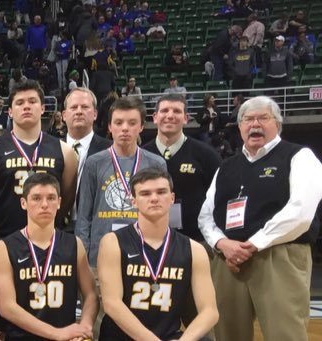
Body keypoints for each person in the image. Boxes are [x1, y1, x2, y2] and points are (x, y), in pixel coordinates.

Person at [197, 96, 322, 341]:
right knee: (226, 334)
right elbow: (205, 216)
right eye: (248, 119)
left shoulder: (300, 156)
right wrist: (223, 244)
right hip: (228, 261)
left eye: (263, 118)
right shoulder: (227, 166)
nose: (255, 124)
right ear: (240, 126)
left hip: (278, 257)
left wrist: (253, 244)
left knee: (285, 334)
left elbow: (300, 212)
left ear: (277, 123)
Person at [98, 168, 218, 340]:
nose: (154, 198)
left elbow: (210, 311)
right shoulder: (113, 242)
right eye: (145, 194)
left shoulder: (194, 249)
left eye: (161, 192)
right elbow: (111, 304)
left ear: (172, 198)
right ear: (133, 201)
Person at [0, 80, 78, 266]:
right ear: (10, 111)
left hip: (49, 242)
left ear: (42, 108)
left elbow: (67, 199)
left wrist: (48, 220)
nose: (26, 107)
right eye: (20, 103)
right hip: (4, 241)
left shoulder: (65, 152)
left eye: (32, 101)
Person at [0, 173, 97, 340]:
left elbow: (91, 293)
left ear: (60, 202)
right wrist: (56, 333)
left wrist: (85, 325)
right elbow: (7, 307)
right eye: (36, 198)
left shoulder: (74, 244)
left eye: (51, 198)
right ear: (23, 203)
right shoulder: (5, 247)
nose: (45, 204)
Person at [75, 96, 167, 268]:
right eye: (118, 123)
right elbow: (83, 217)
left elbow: (162, 214)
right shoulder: (94, 163)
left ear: (141, 127)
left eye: (132, 123)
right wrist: (82, 258)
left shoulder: (156, 164)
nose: (125, 128)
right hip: (99, 257)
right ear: (110, 127)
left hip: (143, 255)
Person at [143, 94, 220, 242]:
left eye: (177, 111)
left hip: (197, 240)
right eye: (164, 111)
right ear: (155, 117)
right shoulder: (141, 155)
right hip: (149, 240)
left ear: (186, 118)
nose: (170, 116)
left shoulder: (207, 155)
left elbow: (219, 198)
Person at [63, 88, 112, 178]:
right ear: (64, 115)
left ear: (95, 114)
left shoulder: (110, 150)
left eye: (85, 107)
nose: (79, 112)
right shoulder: (52, 148)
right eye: (74, 107)